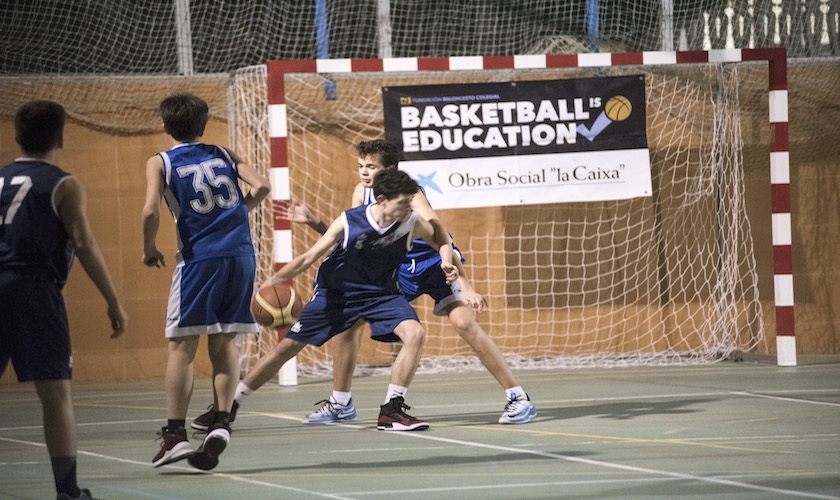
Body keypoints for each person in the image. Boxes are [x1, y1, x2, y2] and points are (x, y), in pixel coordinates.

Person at [193, 140, 535, 431]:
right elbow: (350, 237)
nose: (364, 172)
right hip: (392, 268)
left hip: (431, 262)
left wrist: (465, 281)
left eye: (371, 167)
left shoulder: (410, 194)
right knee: (347, 327)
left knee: (463, 323)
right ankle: (341, 403)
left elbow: (437, 231)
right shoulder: (362, 194)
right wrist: (313, 221)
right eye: (361, 166)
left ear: (389, 171)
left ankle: (516, 396)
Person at [212, 168, 457, 431]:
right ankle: (228, 407)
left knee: (415, 334)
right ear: (383, 199)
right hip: (337, 293)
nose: (410, 207)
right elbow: (308, 258)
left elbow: (440, 235)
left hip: (383, 294)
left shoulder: (412, 222)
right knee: (286, 348)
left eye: (411, 202)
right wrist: (273, 281)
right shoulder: (350, 220)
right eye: (404, 203)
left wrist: (446, 261)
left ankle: (391, 410)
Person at [0, 101, 128, 500]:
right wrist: (112, 300)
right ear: (61, 136)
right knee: (55, 395)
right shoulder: (62, 184)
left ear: (17, 136)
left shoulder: (0, 178)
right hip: (33, 289)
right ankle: (68, 491)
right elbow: (84, 244)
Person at [142, 93, 270, 470]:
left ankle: (175, 435)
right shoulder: (224, 154)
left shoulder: (160, 161)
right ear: (204, 125)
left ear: (166, 125)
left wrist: (148, 247)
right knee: (225, 339)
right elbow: (262, 186)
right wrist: (237, 213)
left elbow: (151, 209)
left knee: (181, 346)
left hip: (200, 260)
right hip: (242, 256)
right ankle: (222, 421)